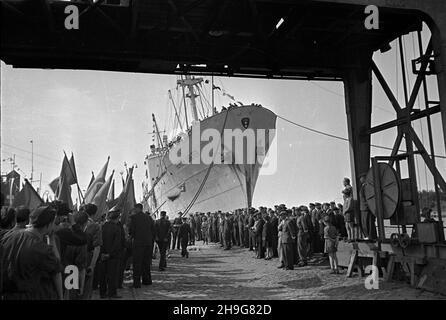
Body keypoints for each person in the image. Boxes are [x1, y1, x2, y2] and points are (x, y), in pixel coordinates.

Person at [1, 205, 63, 300]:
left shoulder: (8, 236)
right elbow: (56, 270)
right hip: (30, 295)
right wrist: (61, 297)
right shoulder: (42, 249)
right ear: (49, 224)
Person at [98, 207, 124, 299]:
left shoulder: (103, 227)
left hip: (102, 254)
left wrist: (102, 253)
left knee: (103, 275)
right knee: (112, 275)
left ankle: (102, 293)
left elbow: (100, 241)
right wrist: (110, 254)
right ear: (117, 218)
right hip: (112, 256)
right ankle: (112, 293)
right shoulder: (117, 228)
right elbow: (117, 244)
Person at [128, 203, 155, 288]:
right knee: (146, 263)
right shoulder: (149, 218)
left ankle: (136, 283)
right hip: (148, 243)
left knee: (137, 263)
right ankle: (147, 281)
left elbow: (131, 231)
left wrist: (131, 236)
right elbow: (153, 230)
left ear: (137, 208)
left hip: (138, 243)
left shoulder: (134, 218)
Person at [80, 203, 102, 300]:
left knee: (71, 287)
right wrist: (92, 265)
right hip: (87, 257)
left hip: (71, 259)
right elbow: (97, 247)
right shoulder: (95, 226)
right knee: (86, 287)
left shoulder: (74, 222)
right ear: (94, 213)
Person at [359, 174, 377, 241]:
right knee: (365, 222)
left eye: (361, 178)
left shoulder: (367, 187)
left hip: (366, 207)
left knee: (368, 222)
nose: (360, 179)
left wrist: (368, 205)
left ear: (364, 178)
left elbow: (368, 197)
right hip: (364, 207)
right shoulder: (364, 186)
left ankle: (370, 236)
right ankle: (368, 235)